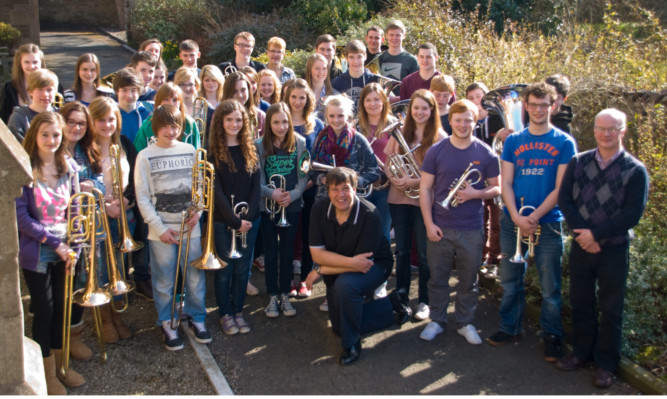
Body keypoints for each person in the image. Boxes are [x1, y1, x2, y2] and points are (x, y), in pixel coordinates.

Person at [556, 108, 648, 388]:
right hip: (583, 247)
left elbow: (631, 215)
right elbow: (565, 200)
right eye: (601, 128)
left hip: (614, 250)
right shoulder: (578, 162)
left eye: (613, 128)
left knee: (611, 308)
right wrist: (584, 236)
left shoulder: (636, 170)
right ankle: (582, 353)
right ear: (594, 130)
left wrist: (594, 235)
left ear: (623, 131)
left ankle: (606, 363)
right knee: (581, 301)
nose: (606, 133)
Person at [487, 82, 577, 364]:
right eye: (533, 105)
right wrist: (515, 216)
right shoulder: (513, 141)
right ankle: (509, 327)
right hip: (514, 220)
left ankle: (552, 336)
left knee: (550, 287)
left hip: (547, 223)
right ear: (526, 106)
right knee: (510, 280)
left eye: (544, 105)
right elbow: (507, 183)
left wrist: (534, 217)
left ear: (553, 106)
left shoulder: (564, 142)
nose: (538, 110)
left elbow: (561, 189)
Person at [304, 167, 412, 365]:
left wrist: (320, 270)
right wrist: (331, 265)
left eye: (346, 188)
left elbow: (361, 266)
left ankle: (352, 344)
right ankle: (392, 304)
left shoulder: (369, 214)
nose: (340, 195)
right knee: (339, 326)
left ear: (356, 188)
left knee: (346, 286)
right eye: (335, 189)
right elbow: (318, 254)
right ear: (327, 191)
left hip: (375, 266)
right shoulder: (320, 208)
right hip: (347, 264)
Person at [418, 99, 500, 344]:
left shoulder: (486, 153)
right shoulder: (436, 150)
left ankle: (465, 322)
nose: (463, 125)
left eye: (468, 120)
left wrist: (475, 194)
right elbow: (425, 189)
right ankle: (437, 320)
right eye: (458, 120)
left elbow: (497, 189)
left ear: (475, 122)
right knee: (438, 278)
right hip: (440, 225)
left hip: (471, 228)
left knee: (469, 280)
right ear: (450, 121)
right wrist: (429, 224)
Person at [16, 111, 84, 394]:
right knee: (44, 311)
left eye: (56, 135)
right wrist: (54, 243)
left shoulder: (68, 167)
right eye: (45, 134)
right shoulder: (25, 169)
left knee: (62, 310)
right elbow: (21, 217)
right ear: (35, 135)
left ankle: (60, 366)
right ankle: (46, 374)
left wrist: (75, 249)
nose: (51, 140)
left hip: (66, 249)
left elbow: (76, 210)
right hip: (40, 252)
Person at [134, 104, 211, 350]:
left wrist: (198, 212)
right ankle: (167, 322)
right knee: (164, 280)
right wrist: (159, 228)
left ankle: (197, 319)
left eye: (175, 126)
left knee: (195, 277)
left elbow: (200, 186)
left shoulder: (190, 150)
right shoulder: (145, 155)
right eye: (165, 126)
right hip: (161, 232)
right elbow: (143, 196)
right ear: (155, 128)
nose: (170, 131)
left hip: (190, 227)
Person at [311, 95, 380, 311]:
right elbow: (311, 171)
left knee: (352, 250)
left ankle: (356, 292)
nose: (336, 119)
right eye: (331, 115)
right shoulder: (321, 139)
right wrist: (320, 179)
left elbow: (374, 171)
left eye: (340, 115)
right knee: (332, 250)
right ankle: (331, 294)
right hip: (326, 203)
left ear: (348, 116)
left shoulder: (358, 139)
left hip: (353, 204)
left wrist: (352, 182)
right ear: (326, 116)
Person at [386, 89, 447, 320]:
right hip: (399, 198)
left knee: (424, 253)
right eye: (416, 108)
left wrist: (413, 180)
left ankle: (424, 300)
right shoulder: (400, 132)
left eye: (424, 108)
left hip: (425, 201)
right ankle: (401, 296)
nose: (420, 112)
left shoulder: (440, 138)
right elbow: (389, 162)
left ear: (432, 111)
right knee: (401, 251)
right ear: (410, 110)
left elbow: (442, 174)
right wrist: (394, 179)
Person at [88, 97, 139, 343]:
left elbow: (137, 177)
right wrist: (105, 207)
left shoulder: (125, 143)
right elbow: (83, 184)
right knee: (100, 270)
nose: (107, 124)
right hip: (99, 218)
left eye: (111, 119)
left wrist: (127, 201)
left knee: (119, 267)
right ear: (92, 121)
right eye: (101, 120)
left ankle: (118, 315)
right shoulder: (86, 149)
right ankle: (105, 319)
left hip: (123, 215)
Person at [209, 99, 261, 335]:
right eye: (229, 120)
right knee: (225, 270)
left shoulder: (250, 148)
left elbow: (256, 185)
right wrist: (234, 220)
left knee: (242, 269)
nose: (234, 124)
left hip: (249, 220)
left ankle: (238, 311)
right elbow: (215, 191)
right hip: (224, 221)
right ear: (220, 122)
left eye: (238, 120)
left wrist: (247, 217)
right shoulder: (213, 153)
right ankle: (225, 313)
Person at [59, 102, 104, 362]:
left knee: (81, 281)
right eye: (72, 122)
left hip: (86, 229)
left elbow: (100, 179)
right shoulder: (54, 151)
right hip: (61, 230)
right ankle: (60, 339)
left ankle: (75, 333)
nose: (76, 127)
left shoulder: (88, 151)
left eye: (82, 123)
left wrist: (92, 183)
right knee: (62, 285)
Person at [257, 103, 309, 317]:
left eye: (285, 121)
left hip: (292, 206)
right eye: (276, 122)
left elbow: (304, 175)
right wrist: (272, 195)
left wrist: (293, 195)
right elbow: (257, 180)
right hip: (268, 207)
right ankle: (272, 295)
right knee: (270, 252)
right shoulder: (258, 145)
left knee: (287, 251)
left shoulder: (300, 142)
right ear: (269, 123)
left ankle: (285, 294)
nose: (281, 126)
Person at [282, 79, 325, 297]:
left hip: (309, 188)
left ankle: (306, 280)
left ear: (308, 99)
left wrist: (306, 184)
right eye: (293, 97)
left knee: (310, 235)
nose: (297, 102)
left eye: (302, 97)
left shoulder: (315, 125)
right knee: (288, 235)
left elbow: (318, 160)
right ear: (287, 98)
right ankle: (288, 279)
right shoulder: (281, 121)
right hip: (285, 192)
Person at [465, 82, 504, 275]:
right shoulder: (467, 120)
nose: (475, 101)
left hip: (497, 175)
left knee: (497, 220)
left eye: (479, 96)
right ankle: (478, 257)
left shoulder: (498, 119)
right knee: (480, 220)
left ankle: (493, 259)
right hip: (476, 177)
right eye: (471, 98)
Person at [356, 82, 397, 242]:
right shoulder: (356, 126)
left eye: (376, 99)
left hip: (385, 186)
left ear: (383, 102)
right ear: (362, 103)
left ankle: (383, 266)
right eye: (368, 100)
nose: (372, 104)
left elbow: (400, 156)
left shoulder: (393, 124)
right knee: (362, 231)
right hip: (362, 187)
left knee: (383, 232)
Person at [134, 82, 201, 152]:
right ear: (159, 102)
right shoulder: (148, 125)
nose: (171, 103)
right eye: (166, 99)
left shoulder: (189, 124)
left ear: (180, 103)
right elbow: (138, 154)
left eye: (175, 100)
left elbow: (197, 155)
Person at [8, 69, 59, 142]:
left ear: (56, 92)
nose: (45, 94)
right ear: (30, 92)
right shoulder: (19, 118)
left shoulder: (61, 115)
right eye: (40, 89)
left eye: (49, 90)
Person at [0, 43, 45, 123]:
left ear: (41, 63)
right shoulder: (9, 88)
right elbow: (3, 119)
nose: (31, 66)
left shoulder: (53, 86)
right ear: (20, 64)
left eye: (35, 62)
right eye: (27, 62)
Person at [331, 40, 381, 110]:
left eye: (359, 57)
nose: (356, 61)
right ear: (346, 58)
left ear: (365, 56)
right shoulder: (337, 82)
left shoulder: (376, 80)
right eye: (351, 57)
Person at [112, 68, 153, 144]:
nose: (129, 95)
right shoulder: (110, 114)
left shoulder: (148, 115)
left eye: (133, 90)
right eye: (124, 90)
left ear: (139, 91)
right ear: (117, 91)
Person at [377, 20, 419, 93]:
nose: (394, 38)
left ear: (404, 36)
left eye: (398, 35)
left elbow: (415, 89)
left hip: (403, 103)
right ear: (386, 36)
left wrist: (396, 99)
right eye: (391, 35)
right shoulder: (379, 58)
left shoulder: (411, 60)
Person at [222, 71, 265, 139]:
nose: (240, 95)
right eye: (234, 91)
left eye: (243, 90)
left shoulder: (260, 116)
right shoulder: (218, 115)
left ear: (249, 90)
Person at [304, 53, 338, 120]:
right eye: (317, 68)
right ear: (310, 70)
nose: (321, 72)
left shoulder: (334, 94)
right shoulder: (302, 93)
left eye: (324, 68)